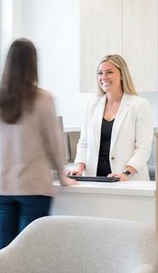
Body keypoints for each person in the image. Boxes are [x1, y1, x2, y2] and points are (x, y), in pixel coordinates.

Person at [0, 38, 72, 251]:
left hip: (1, 185)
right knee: (31, 251)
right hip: (33, 186)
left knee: (4, 250)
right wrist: (62, 175)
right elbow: (54, 142)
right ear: (33, 63)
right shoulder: (43, 98)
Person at [65, 54, 153, 182]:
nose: (103, 77)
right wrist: (79, 167)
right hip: (95, 176)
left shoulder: (139, 105)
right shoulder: (91, 105)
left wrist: (126, 173)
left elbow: (143, 148)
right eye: (100, 73)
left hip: (126, 178)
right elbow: (84, 143)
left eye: (109, 72)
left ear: (122, 75)